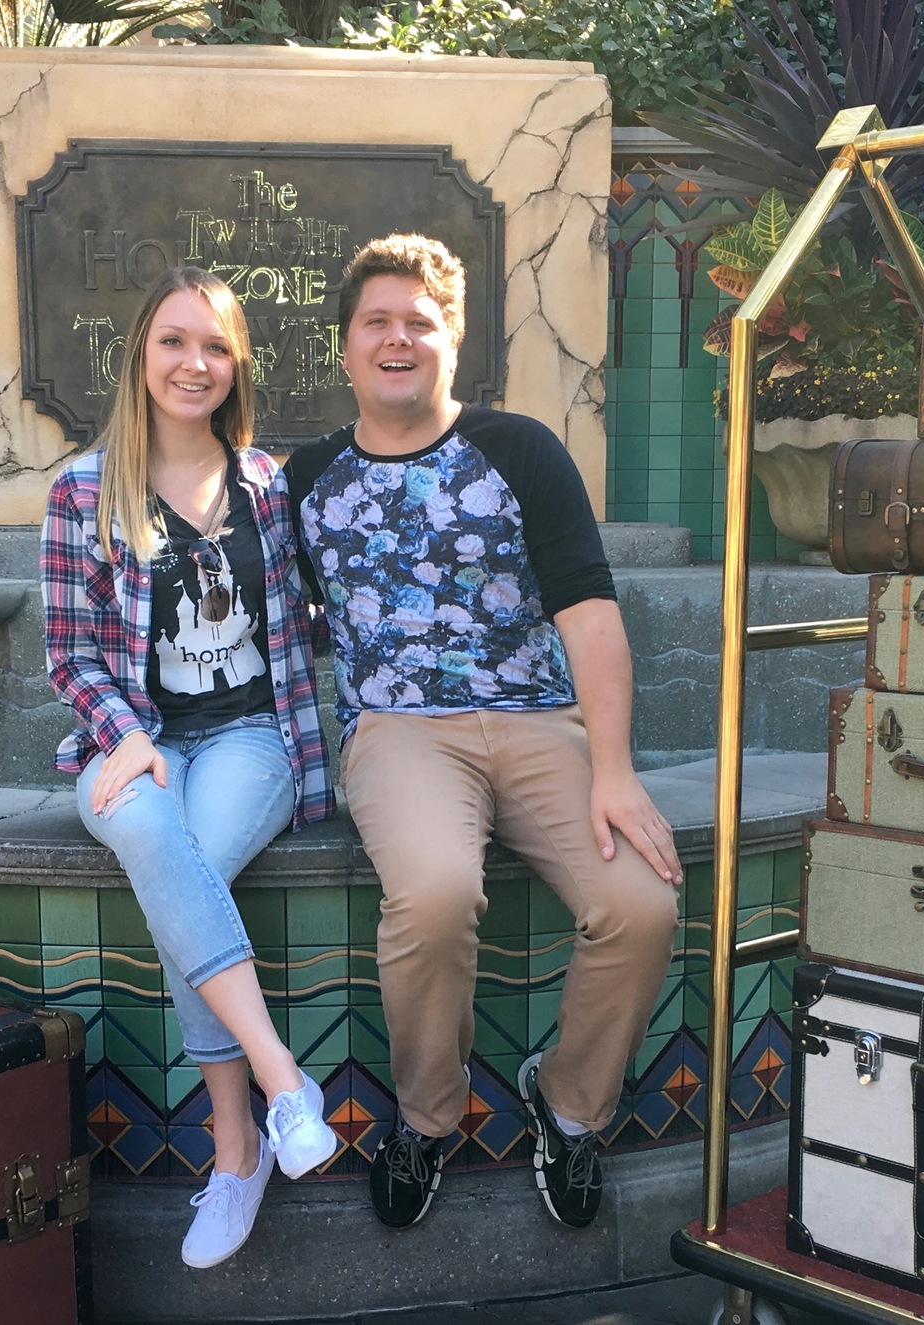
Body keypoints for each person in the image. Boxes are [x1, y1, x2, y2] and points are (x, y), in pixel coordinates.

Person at [285, 234, 684, 1232]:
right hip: (397, 731)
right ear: (344, 347)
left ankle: (567, 1103)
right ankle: (424, 1116)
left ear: (450, 341)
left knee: (638, 902)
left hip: (537, 723)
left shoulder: (518, 450)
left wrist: (613, 769)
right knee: (433, 890)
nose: (396, 338)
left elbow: (589, 613)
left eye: (418, 321)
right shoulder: (304, 481)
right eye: (375, 321)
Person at [41, 266, 338, 1269]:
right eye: (173, 340)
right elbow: (66, 650)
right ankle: (278, 1083)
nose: (192, 362)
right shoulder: (82, 489)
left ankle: (235, 1147)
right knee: (144, 827)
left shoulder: (267, 484)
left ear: (235, 364)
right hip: (128, 739)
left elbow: (316, 614)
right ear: (139, 354)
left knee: (187, 864)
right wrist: (121, 729)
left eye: (214, 345)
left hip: (251, 736)